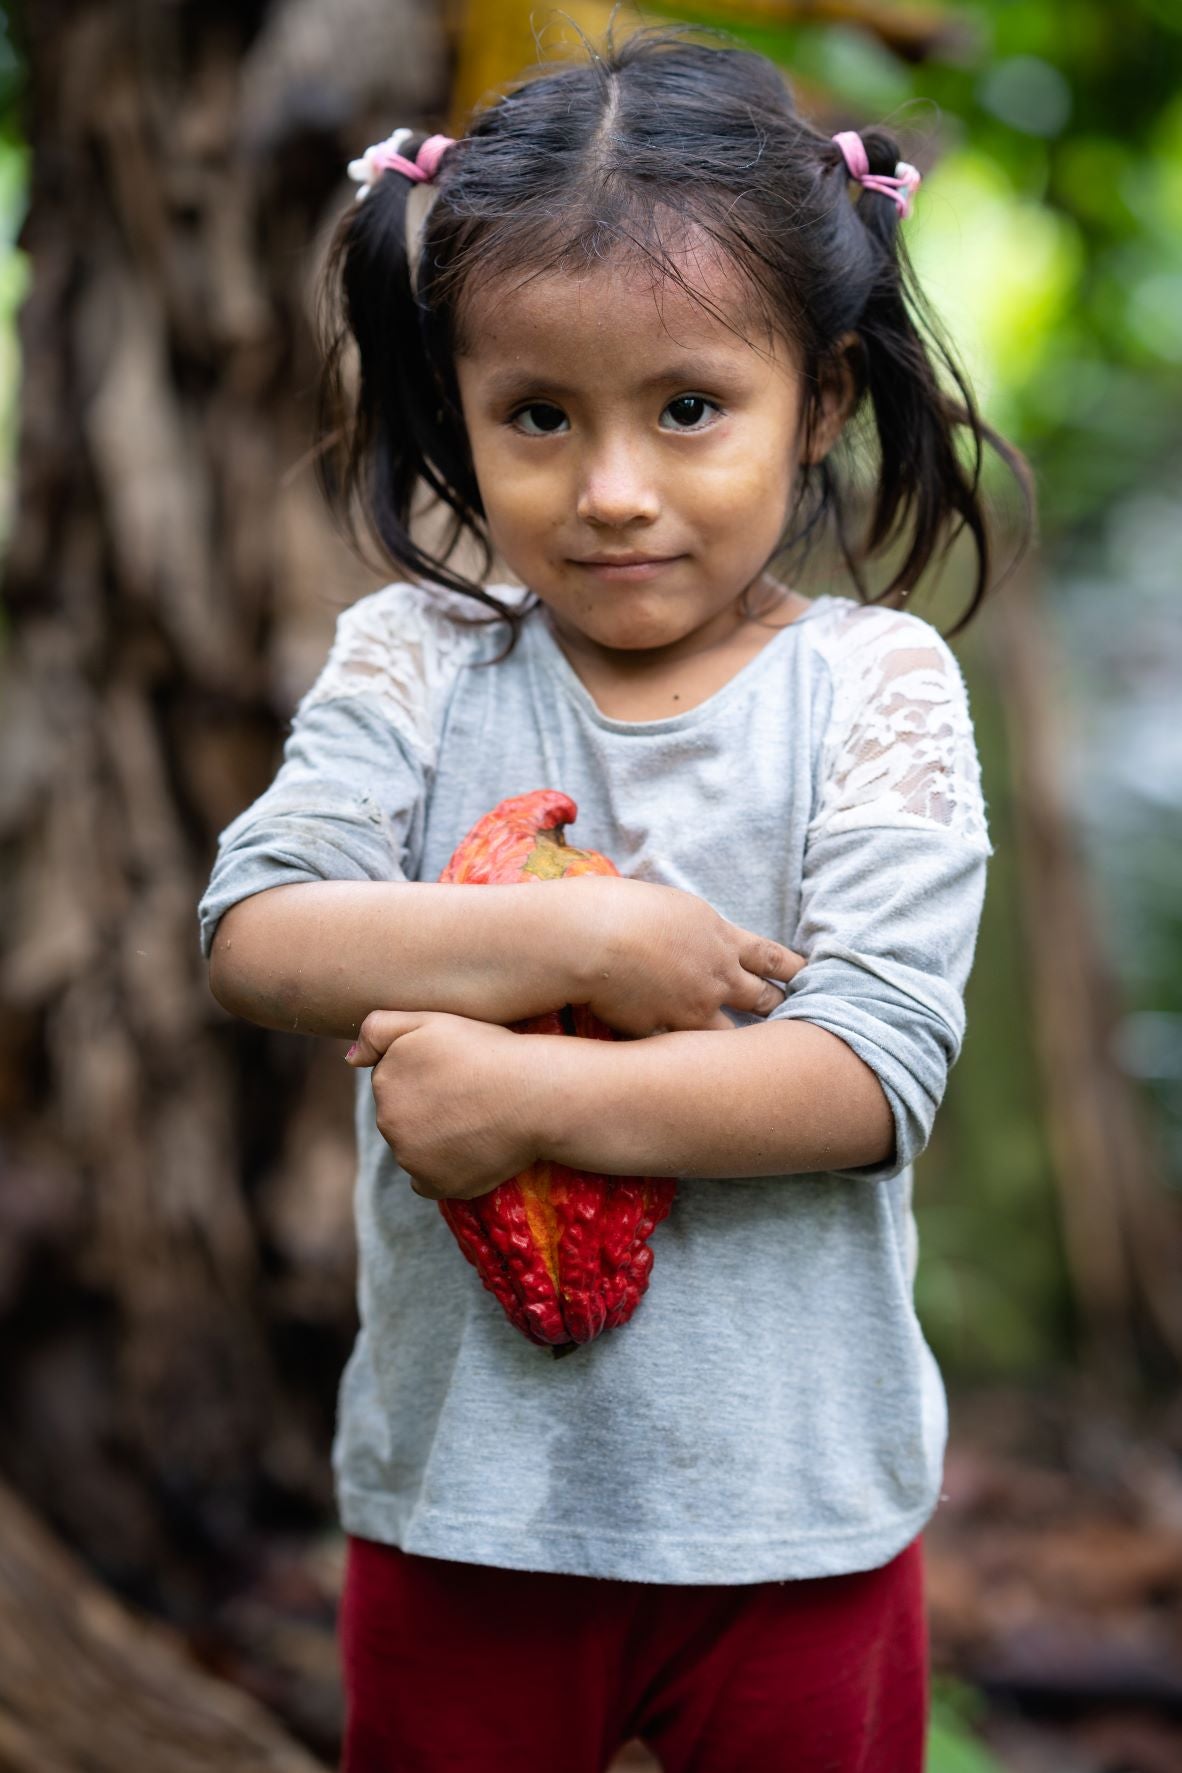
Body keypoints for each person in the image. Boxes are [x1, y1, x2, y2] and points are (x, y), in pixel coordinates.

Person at [198, 29, 1032, 1773]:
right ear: (459, 407)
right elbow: (262, 927)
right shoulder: (417, 662)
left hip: (793, 1522)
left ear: (816, 395)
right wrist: (593, 936)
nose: (612, 489)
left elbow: (864, 1074)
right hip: (461, 1511)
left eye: (687, 406)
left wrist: (517, 1094)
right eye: (537, 417)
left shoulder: (871, 688)